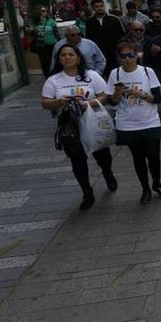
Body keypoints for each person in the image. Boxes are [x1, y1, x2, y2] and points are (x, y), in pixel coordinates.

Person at [39, 43, 116, 210]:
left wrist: (89, 103)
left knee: (102, 153)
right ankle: (87, 192)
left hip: (92, 119)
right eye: (63, 55)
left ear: (78, 58)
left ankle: (107, 173)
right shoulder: (54, 80)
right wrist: (58, 102)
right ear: (59, 59)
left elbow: (105, 96)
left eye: (71, 55)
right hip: (69, 124)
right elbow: (45, 102)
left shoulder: (91, 76)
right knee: (77, 159)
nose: (67, 58)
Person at [107, 38, 161, 204]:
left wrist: (140, 94)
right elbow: (111, 101)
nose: (127, 58)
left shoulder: (147, 72)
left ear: (137, 55)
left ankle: (157, 183)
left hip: (149, 121)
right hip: (128, 123)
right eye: (123, 56)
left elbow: (157, 98)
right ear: (119, 57)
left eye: (131, 55)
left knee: (154, 156)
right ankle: (145, 189)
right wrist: (118, 93)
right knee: (138, 158)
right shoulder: (115, 74)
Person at [26, 4, 59, 76]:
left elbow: (56, 33)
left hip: (52, 44)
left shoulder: (51, 21)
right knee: (45, 63)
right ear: (38, 12)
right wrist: (31, 30)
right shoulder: (34, 22)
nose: (45, 12)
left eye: (46, 11)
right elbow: (29, 32)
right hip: (41, 45)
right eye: (43, 11)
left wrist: (58, 43)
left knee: (53, 61)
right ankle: (48, 77)